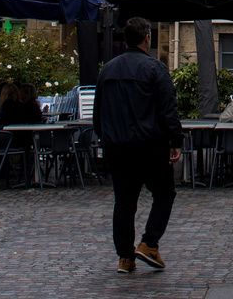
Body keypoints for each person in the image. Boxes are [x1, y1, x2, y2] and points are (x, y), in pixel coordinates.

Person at [93, 17, 182, 274]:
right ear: (147, 38)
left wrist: (105, 136)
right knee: (164, 194)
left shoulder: (107, 70)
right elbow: (168, 109)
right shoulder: (155, 69)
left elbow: (98, 112)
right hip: (149, 144)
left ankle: (125, 257)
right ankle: (149, 243)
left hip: (117, 145)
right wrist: (175, 140)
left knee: (124, 201)